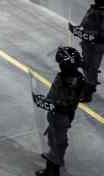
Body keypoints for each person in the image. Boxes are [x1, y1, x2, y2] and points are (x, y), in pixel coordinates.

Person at [34, 47, 86, 176]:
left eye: (61, 63)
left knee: (56, 142)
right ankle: (58, 159)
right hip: (64, 115)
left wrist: (45, 103)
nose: (60, 66)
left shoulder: (67, 82)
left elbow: (61, 103)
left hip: (60, 116)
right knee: (56, 139)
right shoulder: (78, 77)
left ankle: (52, 170)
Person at [76, 0, 104, 102]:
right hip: (88, 43)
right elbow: (85, 22)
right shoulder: (93, 10)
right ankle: (90, 86)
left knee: (90, 67)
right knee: (89, 66)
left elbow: (100, 32)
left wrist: (89, 35)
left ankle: (88, 93)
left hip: (95, 45)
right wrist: (79, 29)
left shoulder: (99, 13)